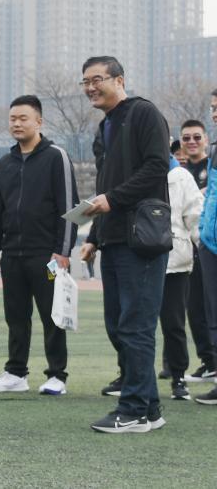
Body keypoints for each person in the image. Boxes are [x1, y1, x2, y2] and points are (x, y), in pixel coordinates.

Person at [78, 57, 171, 434]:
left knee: (136, 326)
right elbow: (106, 185)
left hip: (142, 239)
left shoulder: (144, 113)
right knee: (119, 326)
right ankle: (150, 408)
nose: (90, 87)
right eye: (85, 82)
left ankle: (132, 410)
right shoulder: (105, 126)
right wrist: (94, 237)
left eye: (97, 79)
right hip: (113, 238)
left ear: (119, 80)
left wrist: (112, 200)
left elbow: (157, 167)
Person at [0, 95, 78, 396]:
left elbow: (69, 206)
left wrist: (63, 251)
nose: (16, 123)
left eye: (23, 118)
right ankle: (16, 373)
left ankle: (57, 375)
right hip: (12, 254)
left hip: (47, 255)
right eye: (13, 119)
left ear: (39, 121)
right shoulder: (5, 163)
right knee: (16, 316)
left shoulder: (56, 157)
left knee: (52, 315)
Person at [159, 152, 204, 401]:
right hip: (138, 257)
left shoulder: (180, 176)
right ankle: (130, 375)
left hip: (174, 261)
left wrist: (204, 247)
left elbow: (195, 216)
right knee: (132, 324)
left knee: (173, 323)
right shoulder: (132, 170)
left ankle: (178, 376)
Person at [178, 119, 217, 384]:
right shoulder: (178, 173)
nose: (191, 142)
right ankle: (207, 361)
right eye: (186, 138)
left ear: (205, 139)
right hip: (188, 249)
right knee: (193, 309)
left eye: (196, 137)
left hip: (208, 242)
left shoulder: (210, 165)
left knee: (210, 307)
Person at [196, 90, 217, 405]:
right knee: (213, 316)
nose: (214, 113)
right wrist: (203, 230)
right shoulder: (214, 150)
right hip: (210, 243)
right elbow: (211, 193)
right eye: (213, 108)